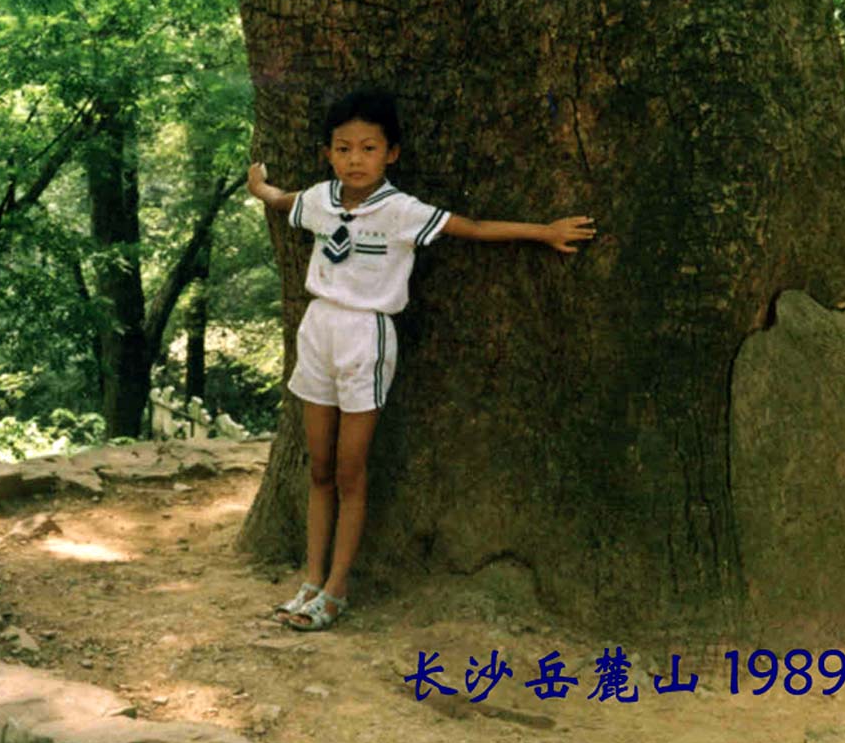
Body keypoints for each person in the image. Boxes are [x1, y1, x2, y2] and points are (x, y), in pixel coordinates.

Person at [247, 89, 595, 630]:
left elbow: (473, 229)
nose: (355, 158)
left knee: (349, 471)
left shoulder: (403, 210)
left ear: (392, 154)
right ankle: (310, 579)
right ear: (328, 154)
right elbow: (283, 200)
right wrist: (260, 187)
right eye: (343, 148)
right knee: (317, 467)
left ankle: (337, 588)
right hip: (317, 331)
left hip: (367, 335)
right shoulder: (320, 198)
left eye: (368, 147)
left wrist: (544, 232)